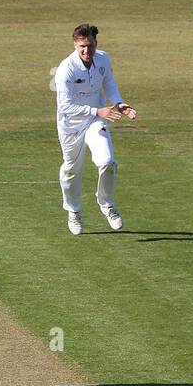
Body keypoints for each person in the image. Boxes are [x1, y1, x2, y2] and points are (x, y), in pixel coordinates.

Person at [53, 23, 137, 235]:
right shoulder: (66, 69)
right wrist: (97, 111)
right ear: (75, 44)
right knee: (72, 170)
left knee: (107, 161)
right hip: (71, 124)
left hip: (95, 121)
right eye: (82, 46)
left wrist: (119, 103)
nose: (86, 51)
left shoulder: (103, 59)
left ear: (95, 43)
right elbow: (65, 106)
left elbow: (110, 84)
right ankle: (73, 211)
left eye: (89, 45)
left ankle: (107, 205)